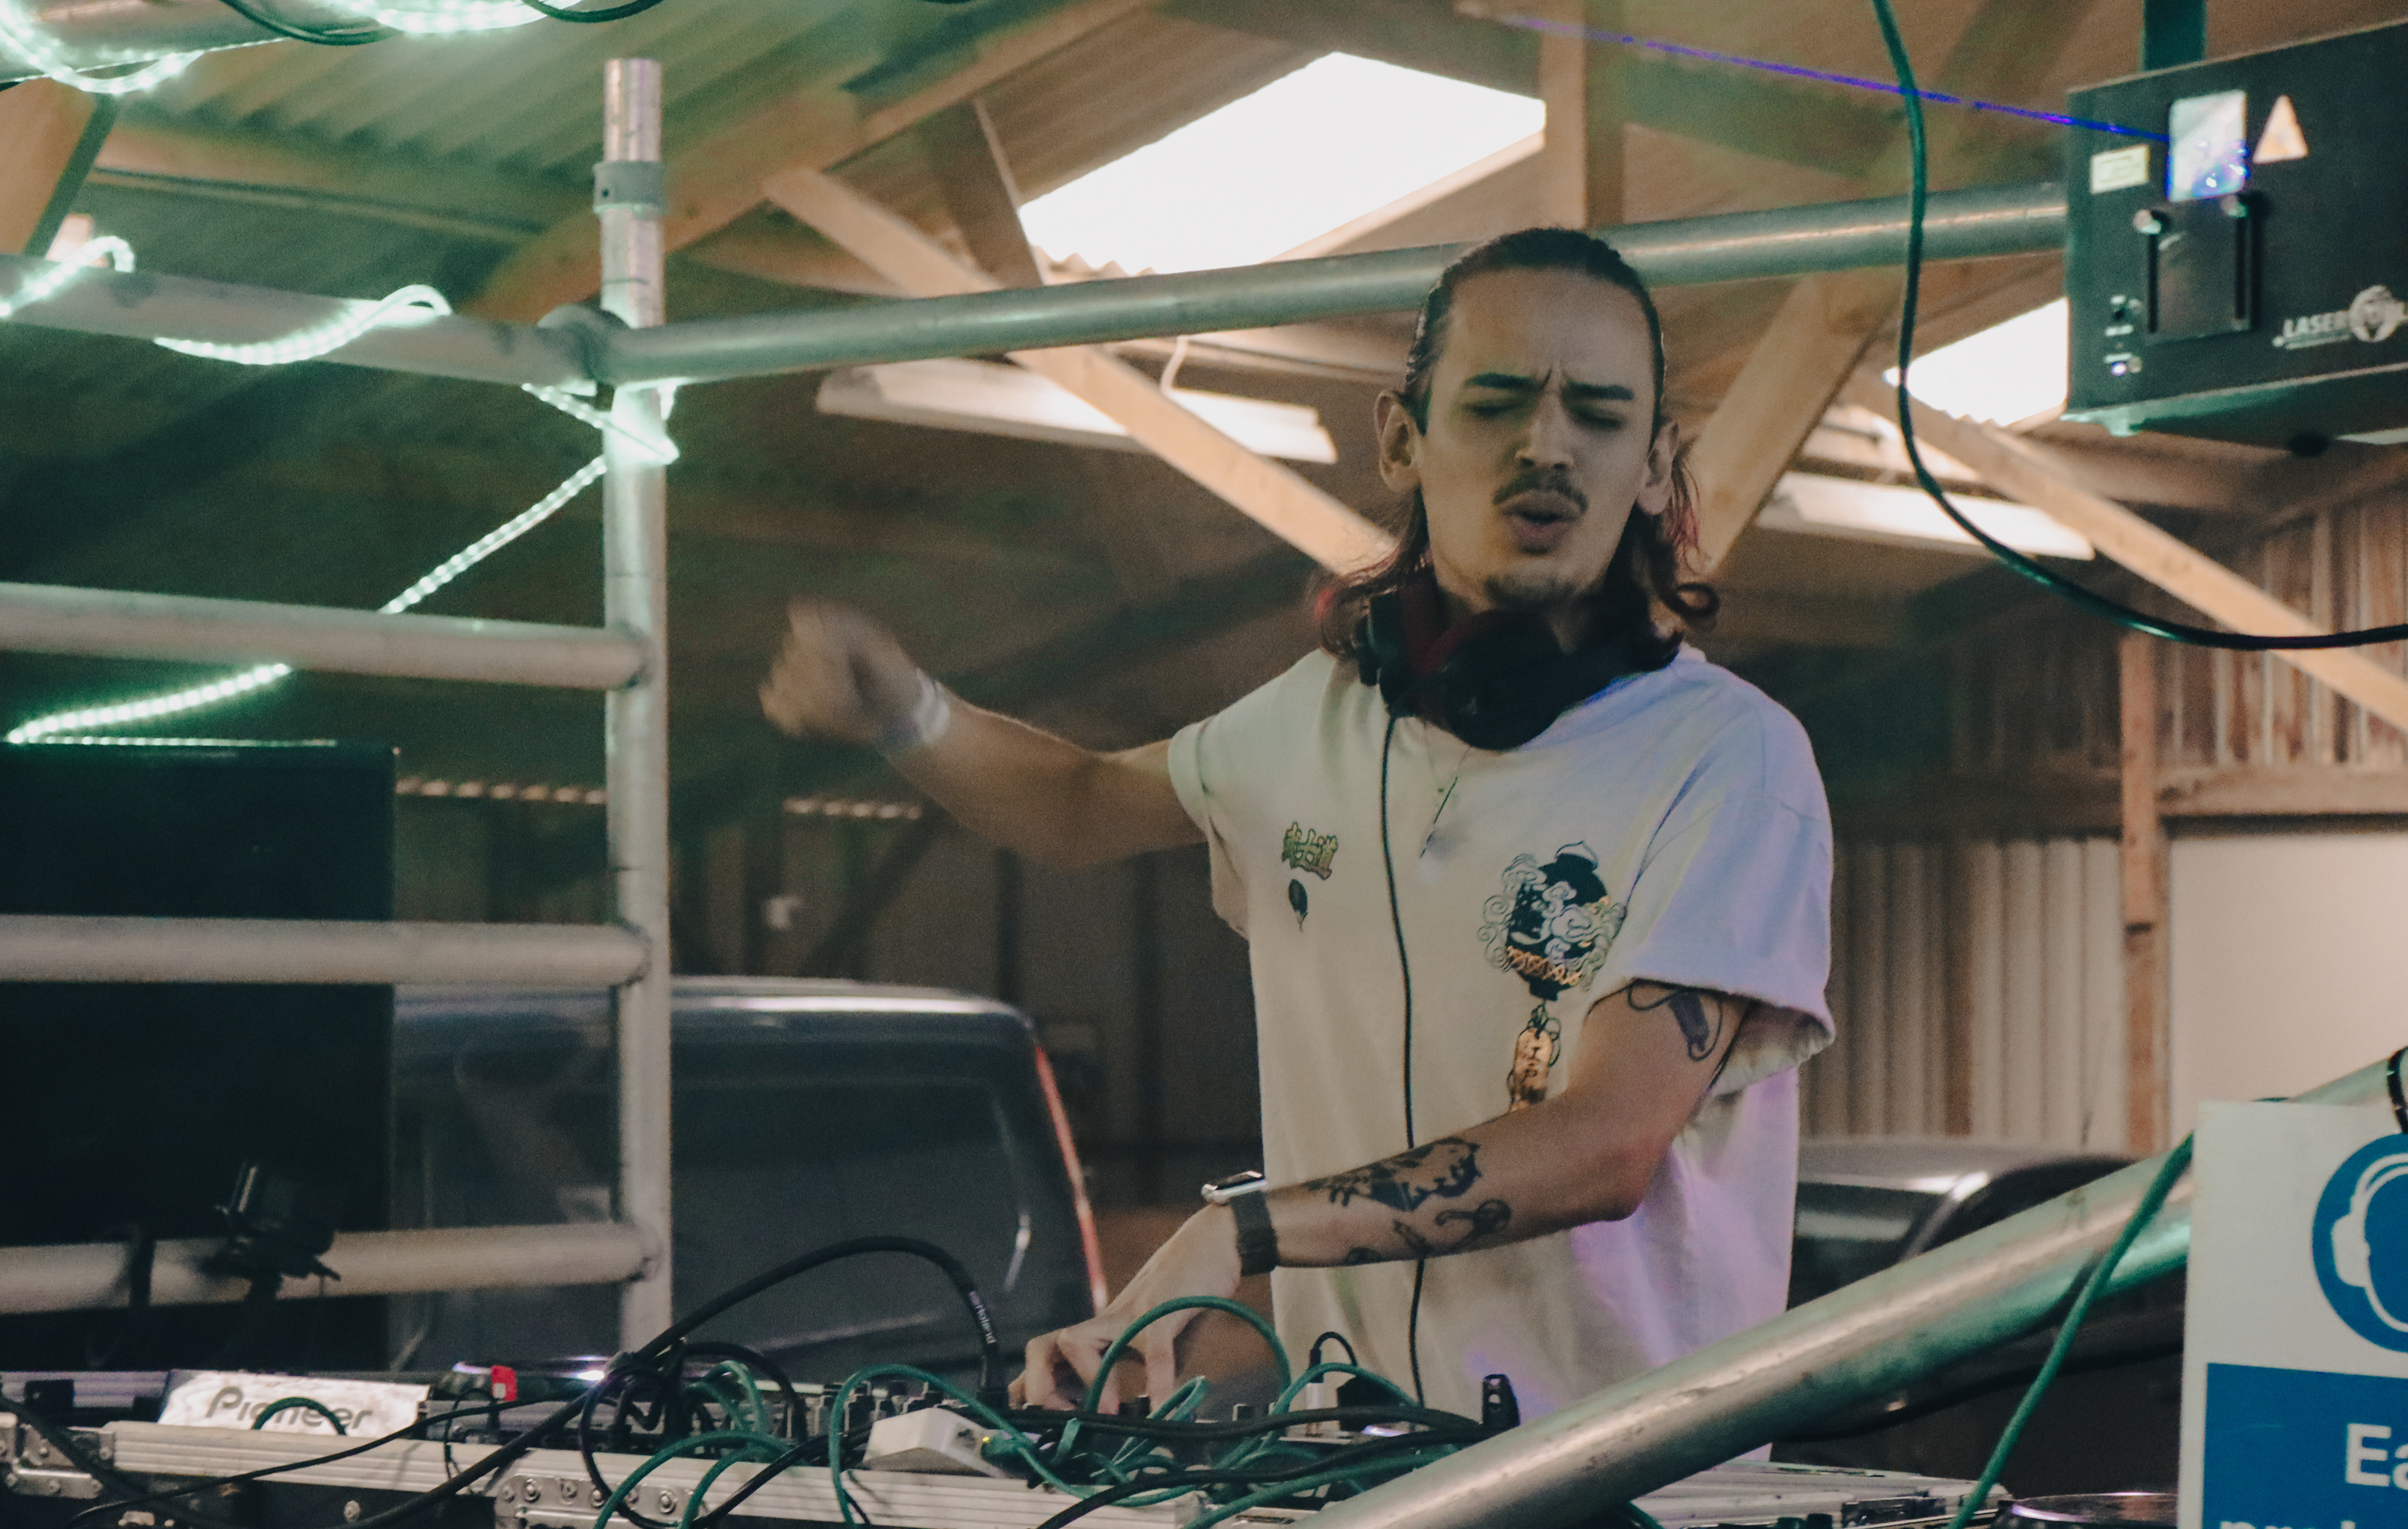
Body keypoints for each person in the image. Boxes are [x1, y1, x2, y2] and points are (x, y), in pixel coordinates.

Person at [759, 227, 1833, 1423]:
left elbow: (1607, 1141)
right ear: (1400, 439)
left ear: (1656, 464)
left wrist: (1246, 1229)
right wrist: (904, 711)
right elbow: (1075, 803)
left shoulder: (1730, 761)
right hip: (1348, 1485)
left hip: (1628, 1499)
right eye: (1494, 405)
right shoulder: (1315, 722)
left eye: (1599, 412)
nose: (1547, 445)